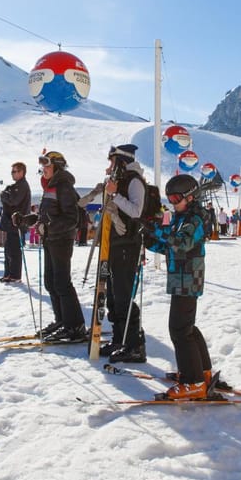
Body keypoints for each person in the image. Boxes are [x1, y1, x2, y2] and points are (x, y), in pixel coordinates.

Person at [142, 175, 216, 400]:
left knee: (179, 329)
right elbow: (170, 247)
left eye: (176, 198)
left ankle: (193, 382)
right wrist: (148, 240)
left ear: (191, 196)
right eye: (170, 199)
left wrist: (155, 229)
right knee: (187, 327)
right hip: (180, 276)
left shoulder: (195, 218)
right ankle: (201, 372)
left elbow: (182, 242)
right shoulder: (182, 216)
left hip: (188, 278)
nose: (173, 203)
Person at [26, 151, 86, 341]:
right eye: (42, 166)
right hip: (51, 239)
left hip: (61, 239)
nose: (43, 170)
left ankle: (75, 326)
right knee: (50, 281)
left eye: (47, 166)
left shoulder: (64, 186)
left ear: (57, 167)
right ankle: (62, 320)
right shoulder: (51, 186)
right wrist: (30, 219)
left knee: (61, 282)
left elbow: (71, 218)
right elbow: (50, 214)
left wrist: (49, 226)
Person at [99, 144, 147, 363]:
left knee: (123, 295)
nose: (109, 166)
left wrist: (115, 195)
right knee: (113, 296)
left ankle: (134, 344)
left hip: (128, 245)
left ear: (121, 161)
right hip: (116, 244)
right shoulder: (119, 181)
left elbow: (136, 211)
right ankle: (119, 339)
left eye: (112, 161)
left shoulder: (135, 180)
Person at [0, 161, 30, 283]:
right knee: (8, 249)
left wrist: (3, 194)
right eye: (12, 171)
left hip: (17, 222)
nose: (13, 174)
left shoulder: (22, 186)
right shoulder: (16, 185)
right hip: (12, 222)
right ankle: (8, 273)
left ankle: (15, 275)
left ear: (22, 172)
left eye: (15, 171)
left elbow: (13, 201)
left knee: (14, 250)